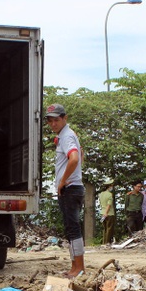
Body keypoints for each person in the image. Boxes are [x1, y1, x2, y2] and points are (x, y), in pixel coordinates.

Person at [45, 103, 85, 278]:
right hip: (72, 187)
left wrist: (63, 181)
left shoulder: (67, 136)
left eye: (56, 120)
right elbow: (80, 153)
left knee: (73, 229)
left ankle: (79, 268)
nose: (53, 124)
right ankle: (74, 267)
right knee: (70, 229)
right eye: (50, 121)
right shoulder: (66, 135)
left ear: (64, 118)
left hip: (70, 188)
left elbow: (75, 158)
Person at [98, 180, 115, 244]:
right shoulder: (109, 195)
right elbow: (109, 205)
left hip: (102, 213)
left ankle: (104, 242)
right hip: (109, 214)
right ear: (109, 186)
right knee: (109, 229)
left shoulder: (101, 194)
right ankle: (107, 242)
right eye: (111, 186)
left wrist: (104, 213)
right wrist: (106, 213)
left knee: (104, 229)